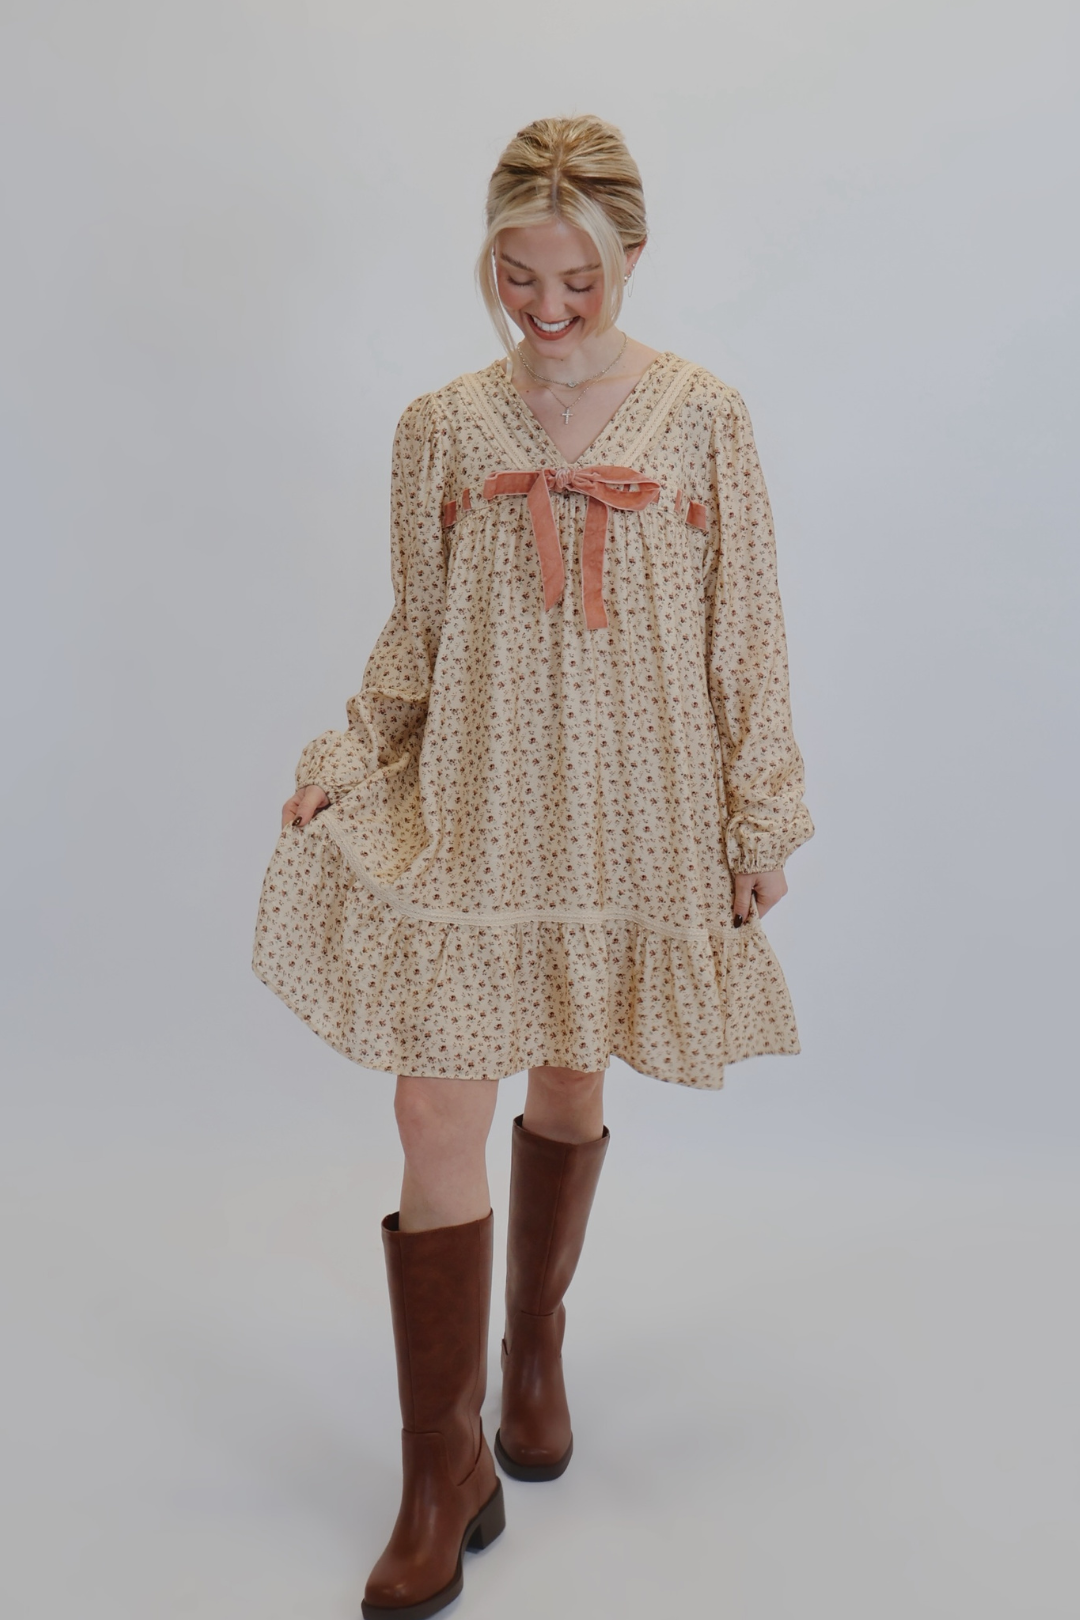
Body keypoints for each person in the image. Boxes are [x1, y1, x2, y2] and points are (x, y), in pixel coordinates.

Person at [253, 113, 814, 1619]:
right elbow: (417, 635)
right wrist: (348, 758)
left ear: (632, 258)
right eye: (519, 276)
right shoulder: (440, 428)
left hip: (635, 812)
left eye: (579, 280)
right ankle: (442, 1469)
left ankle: (535, 1349)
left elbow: (748, 627)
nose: (547, 309)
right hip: (478, 804)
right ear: (488, 257)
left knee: (572, 1075)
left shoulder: (704, 417)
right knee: (431, 1101)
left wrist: (760, 816)